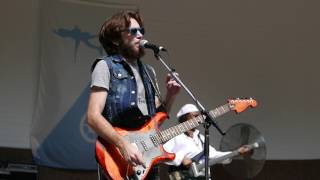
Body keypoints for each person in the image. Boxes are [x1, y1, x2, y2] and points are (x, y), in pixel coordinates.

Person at [87, 10, 180, 180]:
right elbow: (93, 116)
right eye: (133, 31)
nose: (140, 35)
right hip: (118, 156)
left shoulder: (149, 72)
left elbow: (157, 115)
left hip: (148, 159)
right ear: (115, 39)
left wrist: (171, 95)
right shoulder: (105, 66)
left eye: (141, 31)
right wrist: (124, 145)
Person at [163, 104, 250, 180]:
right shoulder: (176, 137)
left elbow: (214, 155)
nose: (199, 118)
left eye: (199, 115)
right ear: (185, 118)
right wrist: (181, 158)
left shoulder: (201, 138)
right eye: (195, 115)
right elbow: (163, 152)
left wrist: (236, 152)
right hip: (183, 176)